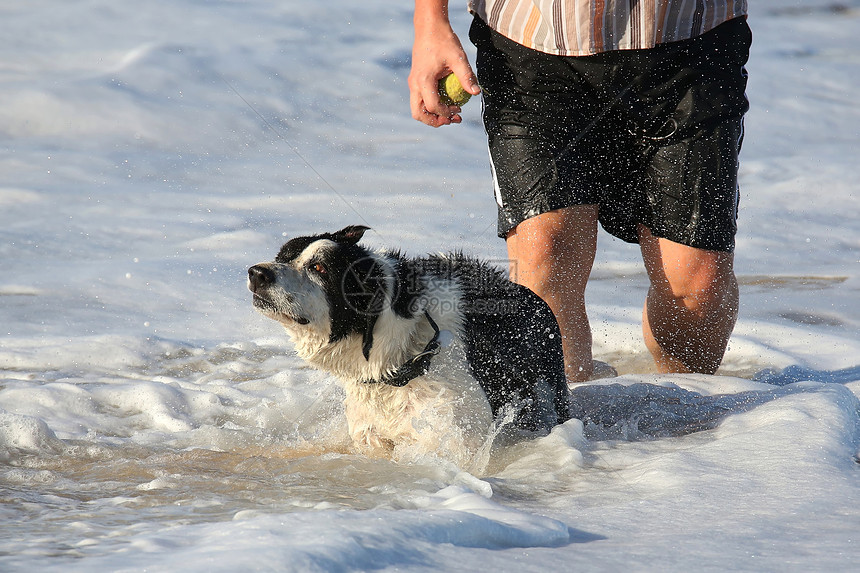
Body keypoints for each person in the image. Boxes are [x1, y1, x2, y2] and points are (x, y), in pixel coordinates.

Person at [408, 0, 751, 382]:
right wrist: (430, 21)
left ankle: (683, 428)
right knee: (545, 260)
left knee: (695, 286)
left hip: (689, 38)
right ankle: (564, 429)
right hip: (530, 41)